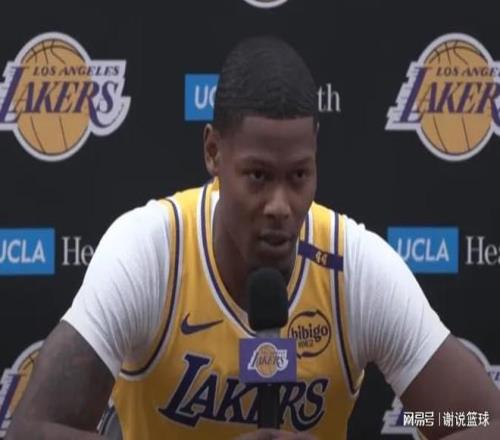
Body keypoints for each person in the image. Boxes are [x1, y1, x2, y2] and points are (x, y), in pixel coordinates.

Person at [6, 36, 500, 440]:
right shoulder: (151, 251)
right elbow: (32, 430)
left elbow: (482, 421)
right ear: (213, 152)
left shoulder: (355, 266)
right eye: (258, 176)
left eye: (299, 176)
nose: (280, 206)